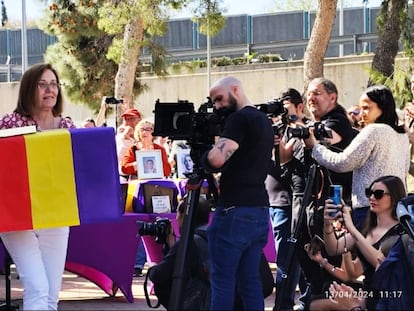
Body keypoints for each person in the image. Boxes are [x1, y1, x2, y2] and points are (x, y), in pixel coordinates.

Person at [0, 63, 76, 310]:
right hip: (16, 216)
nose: (49, 90)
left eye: (54, 84)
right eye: (42, 84)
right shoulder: (10, 124)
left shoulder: (66, 128)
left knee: (52, 293)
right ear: (29, 89)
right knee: (38, 287)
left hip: (56, 213)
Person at [201, 76, 274, 310]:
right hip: (259, 210)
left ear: (235, 89)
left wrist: (203, 155)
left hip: (234, 211)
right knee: (249, 281)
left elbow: (217, 158)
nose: (218, 106)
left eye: (220, 99)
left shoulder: (240, 119)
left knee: (222, 281)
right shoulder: (263, 119)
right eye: (214, 102)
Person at [304, 84, 410, 229]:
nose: (362, 113)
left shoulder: (373, 130)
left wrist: (315, 147)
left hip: (370, 207)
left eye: (367, 108)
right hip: (396, 207)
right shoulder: (401, 134)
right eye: (360, 109)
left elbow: (342, 162)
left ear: (383, 107)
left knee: (366, 250)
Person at [323, 175, 408, 310]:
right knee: (318, 296)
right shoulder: (367, 228)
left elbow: (383, 264)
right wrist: (327, 224)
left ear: (394, 198)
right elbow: (334, 248)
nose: (372, 198)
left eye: (378, 194)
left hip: (390, 297)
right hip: (367, 293)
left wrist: (352, 229)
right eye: (369, 192)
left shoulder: (401, 231)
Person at [268, 88, 310, 310]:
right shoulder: (278, 128)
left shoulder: (304, 129)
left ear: (299, 106)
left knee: (289, 258)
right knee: (288, 259)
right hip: (275, 201)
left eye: (285, 109)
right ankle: (303, 301)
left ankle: (286, 305)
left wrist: (294, 123)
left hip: (291, 201)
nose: (282, 114)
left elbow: (284, 157)